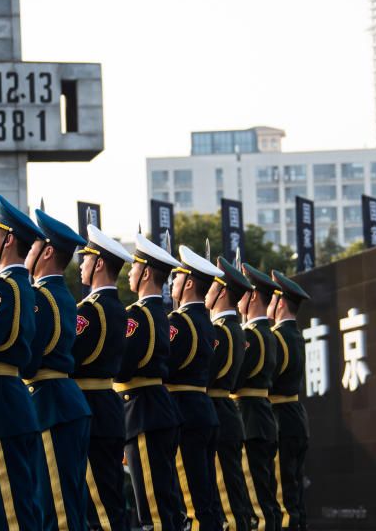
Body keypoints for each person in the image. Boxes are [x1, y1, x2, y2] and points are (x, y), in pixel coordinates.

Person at [0, 195, 42, 531]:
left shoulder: (1, 289)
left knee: (7, 515)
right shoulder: (24, 286)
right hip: (13, 401)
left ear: (9, 240)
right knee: (18, 506)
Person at [22, 209, 93, 531]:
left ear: (47, 252)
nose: (26, 252)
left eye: (31, 246)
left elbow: (29, 361)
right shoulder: (60, 294)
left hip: (50, 405)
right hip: (63, 403)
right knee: (67, 502)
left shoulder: (40, 297)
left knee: (56, 510)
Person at [114, 233, 184, 531]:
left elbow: (123, 368)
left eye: (133, 268)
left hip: (143, 413)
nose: (129, 272)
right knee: (165, 504)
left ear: (145, 273)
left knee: (152, 511)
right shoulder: (162, 314)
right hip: (159, 410)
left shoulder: (138, 315)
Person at [75, 224, 133, 531]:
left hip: (89, 410)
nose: (81, 265)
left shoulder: (89, 310)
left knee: (100, 508)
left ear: (99, 263)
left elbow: (68, 356)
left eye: (85, 259)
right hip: (108, 409)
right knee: (111, 500)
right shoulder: (119, 308)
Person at [166, 246, 223, 531]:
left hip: (184, 414)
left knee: (191, 503)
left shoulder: (179, 322)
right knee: (207, 498)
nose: (171, 282)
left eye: (175, 278)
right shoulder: (207, 322)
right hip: (204, 411)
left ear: (188, 283)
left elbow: (166, 365)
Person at [204, 257, 252, 531]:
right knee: (234, 495)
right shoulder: (235, 329)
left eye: (210, 286)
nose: (206, 292)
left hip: (217, 412)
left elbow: (206, 371)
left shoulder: (220, 331)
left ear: (222, 292)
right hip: (227, 412)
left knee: (226, 500)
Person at [235, 263, 282, 531]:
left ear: (253, 296)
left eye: (242, 291)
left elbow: (235, 378)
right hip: (262, 417)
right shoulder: (269, 334)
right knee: (267, 497)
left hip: (250, 419)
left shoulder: (251, 336)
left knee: (256, 504)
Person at [269, 271, 311, 531]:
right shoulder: (295, 335)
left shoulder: (276, 338)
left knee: (282, 499)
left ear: (280, 302)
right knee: (294, 497)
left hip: (279, 421)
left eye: (270, 299)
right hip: (295, 417)